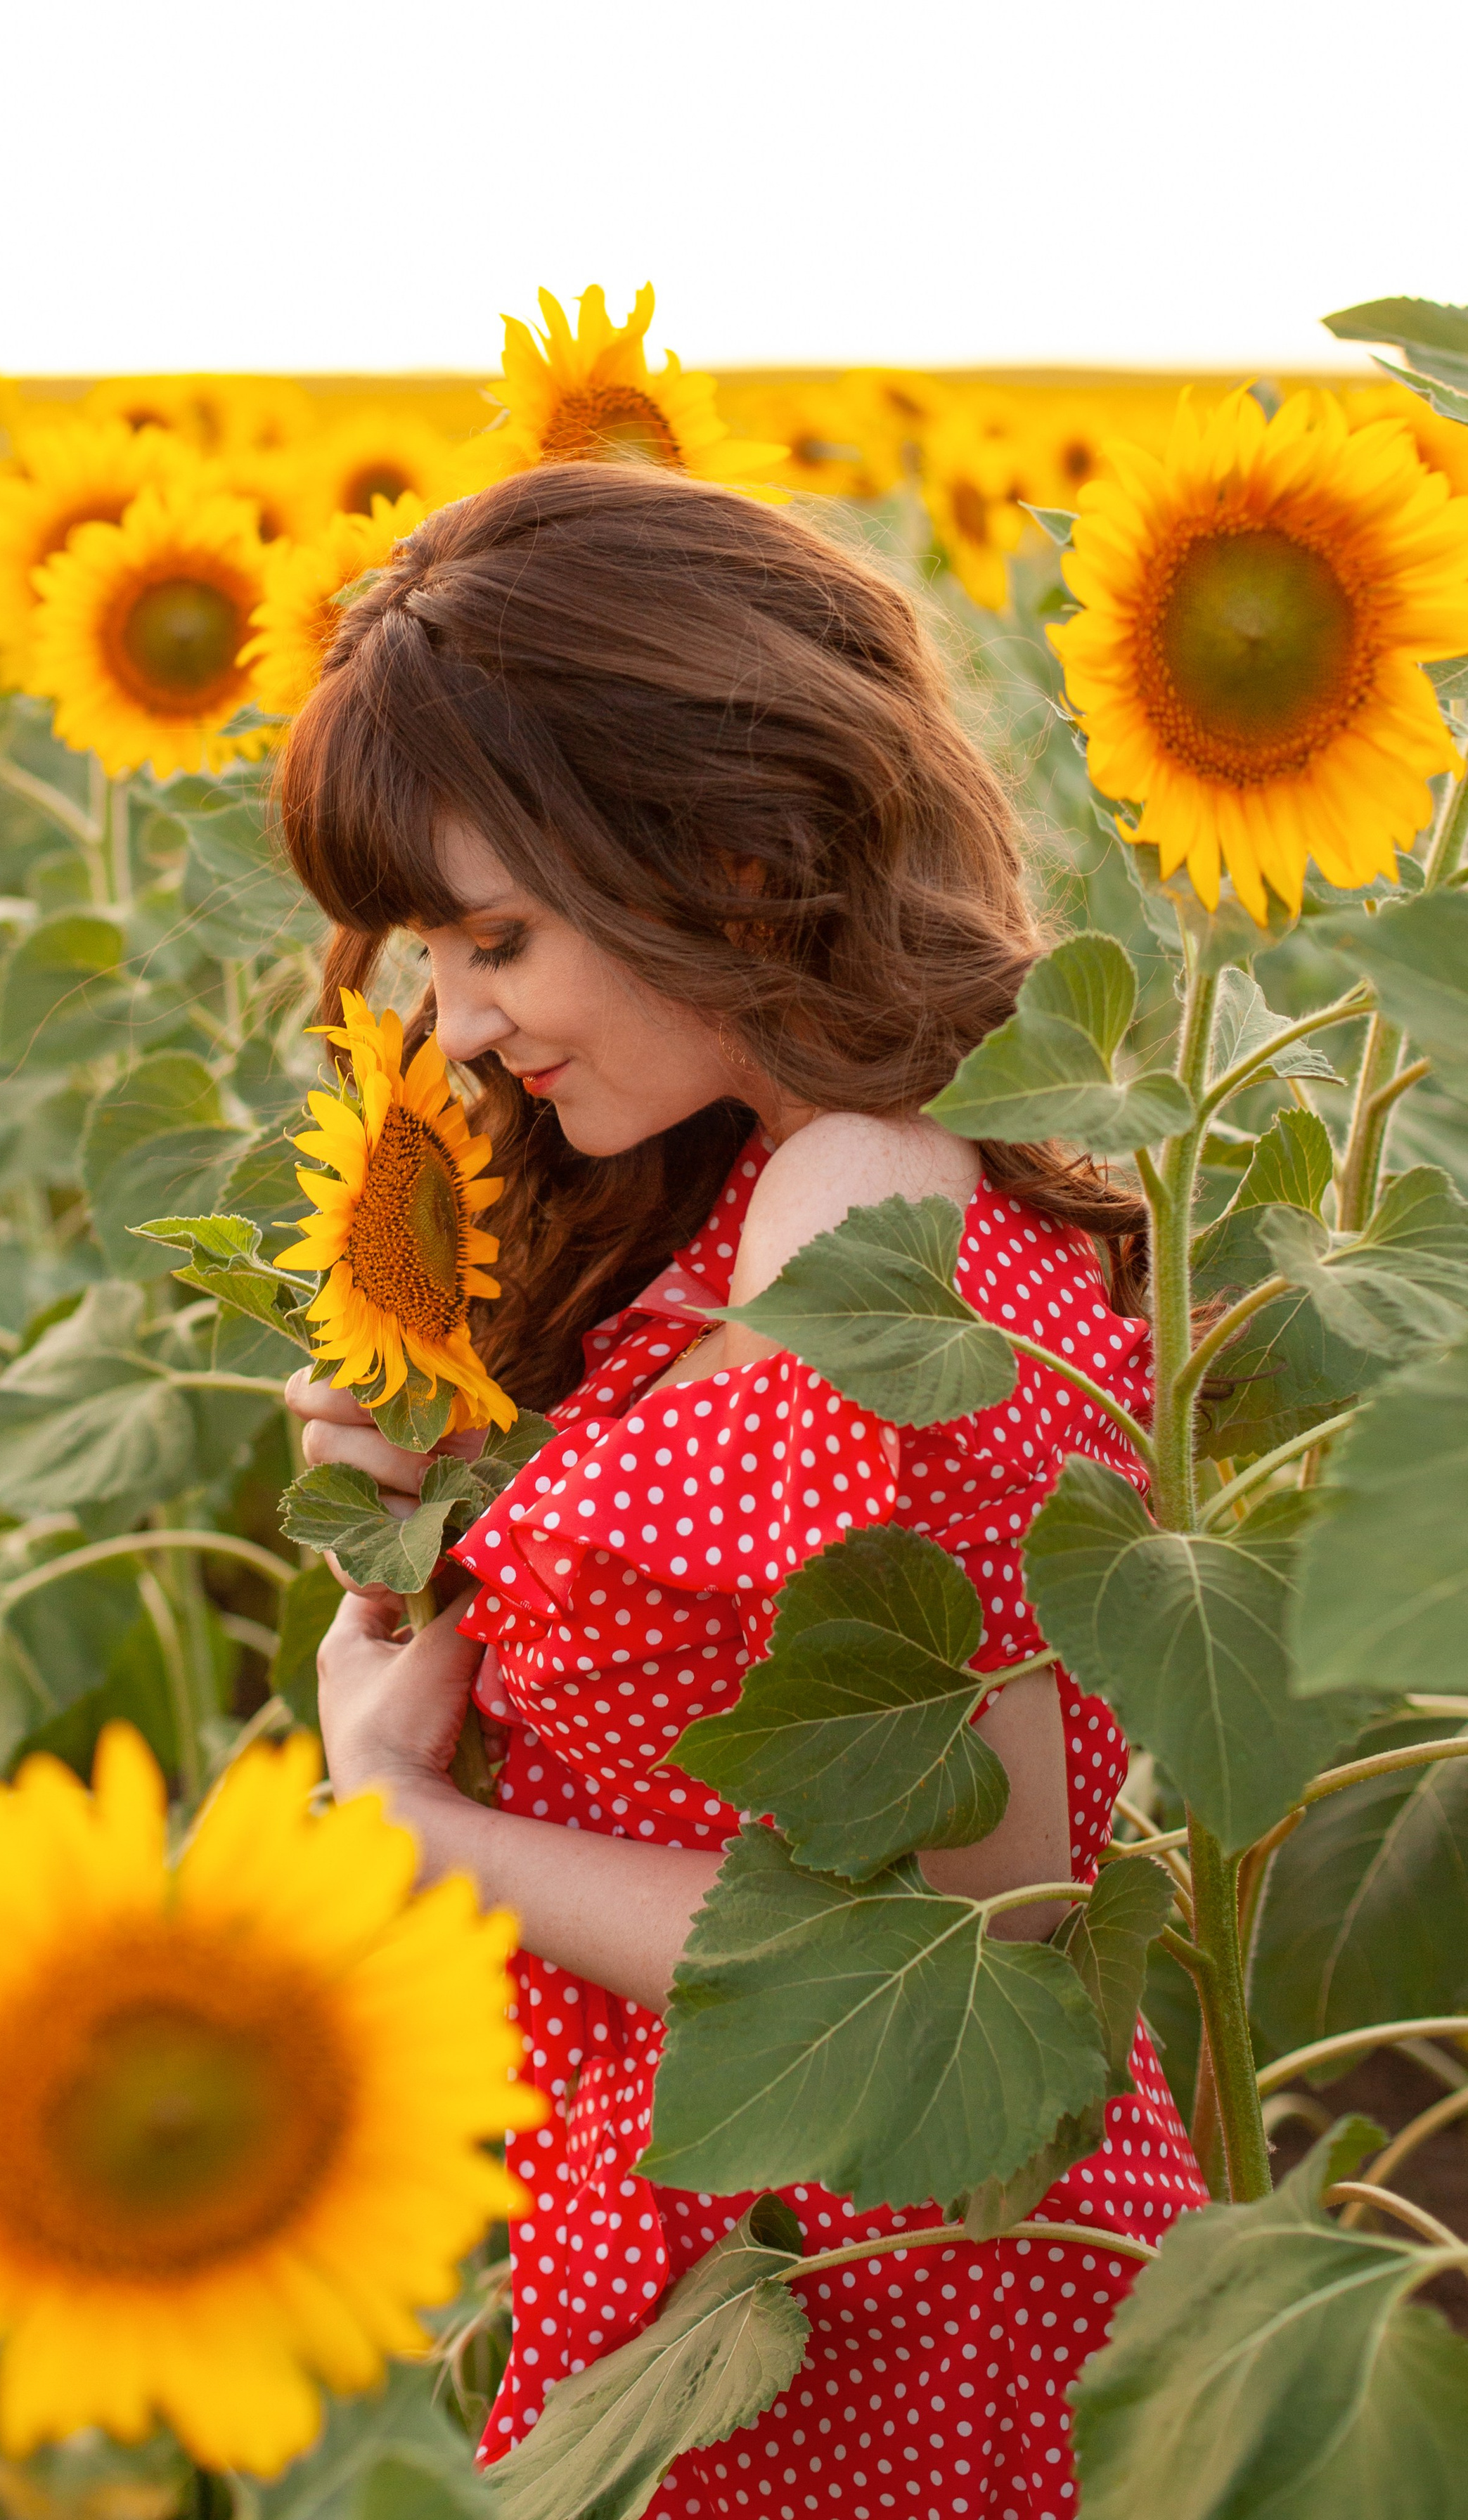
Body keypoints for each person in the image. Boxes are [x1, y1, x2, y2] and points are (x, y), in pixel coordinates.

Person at [280, 462, 1204, 2520]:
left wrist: (409, 1824)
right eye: (434, 949)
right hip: (750, 2253)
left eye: (499, 936)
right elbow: (712, 1697)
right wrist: (453, 1483)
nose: (459, 1021)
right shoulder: (761, 1201)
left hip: (890, 2299)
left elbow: (983, 1947)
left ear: (729, 852)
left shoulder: (867, 1210)